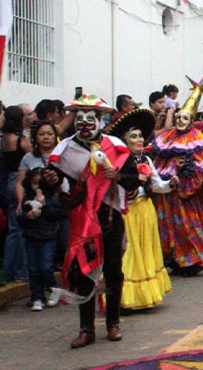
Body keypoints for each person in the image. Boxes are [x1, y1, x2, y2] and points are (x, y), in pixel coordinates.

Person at [43, 94, 139, 349]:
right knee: (83, 270)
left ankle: (113, 323)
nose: (85, 124)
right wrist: (50, 181)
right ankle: (86, 329)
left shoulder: (115, 146)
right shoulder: (64, 149)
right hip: (82, 218)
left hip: (110, 215)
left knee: (113, 270)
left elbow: (133, 180)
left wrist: (116, 176)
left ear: (99, 120)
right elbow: (51, 181)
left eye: (91, 118)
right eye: (80, 118)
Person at [149, 76, 203, 276]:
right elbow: (154, 152)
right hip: (167, 194)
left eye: (185, 118)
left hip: (187, 196)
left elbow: (202, 166)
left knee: (187, 226)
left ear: (191, 121)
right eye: (178, 118)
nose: (180, 121)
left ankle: (192, 260)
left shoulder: (196, 139)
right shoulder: (167, 136)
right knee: (167, 226)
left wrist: (186, 171)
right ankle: (173, 259)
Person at [109, 109, 175, 310]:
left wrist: (170, 184)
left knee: (145, 252)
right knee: (128, 254)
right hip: (127, 212)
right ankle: (124, 297)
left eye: (140, 136)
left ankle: (143, 296)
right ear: (124, 140)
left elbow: (156, 185)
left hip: (146, 211)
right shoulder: (118, 161)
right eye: (133, 137)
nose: (138, 140)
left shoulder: (146, 159)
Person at [16, 167, 60, 311]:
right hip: (32, 236)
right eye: (35, 184)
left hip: (48, 236)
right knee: (33, 269)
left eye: (40, 184)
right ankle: (37, 296)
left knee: (46, 266)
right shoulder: (27, 198)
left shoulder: (52, 197)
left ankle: (54, 289)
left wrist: (45, 205)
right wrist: (26, 216)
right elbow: (20, 218)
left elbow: (55, 215)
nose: (37, 187)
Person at [0, 105, 32, 284]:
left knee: (13, 230)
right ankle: (22, 271)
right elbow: (32, 156)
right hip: (20, 179)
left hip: (8, 180)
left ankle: (8, 270)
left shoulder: (4, 138)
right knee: (21, 229)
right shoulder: (21, 139)